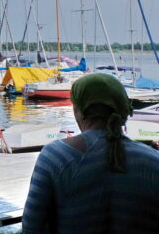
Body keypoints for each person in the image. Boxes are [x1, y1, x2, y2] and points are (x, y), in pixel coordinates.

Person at [22, 73, 159, 233]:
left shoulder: (55, 157)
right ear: (123, 110)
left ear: (78, 110)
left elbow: (32, 227)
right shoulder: (153, 161)